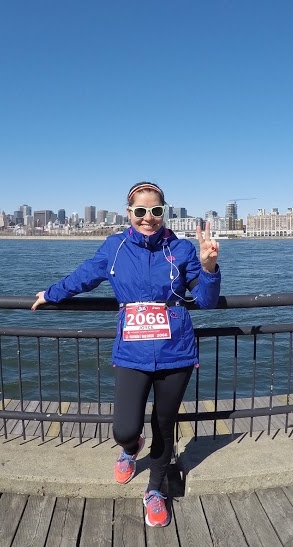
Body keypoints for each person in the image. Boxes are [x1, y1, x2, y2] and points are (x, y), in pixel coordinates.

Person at [31, 181, 221, 527]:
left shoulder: (181, 250)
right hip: (132, 352)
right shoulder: (115, 247)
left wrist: (208, 267)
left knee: (164, 425)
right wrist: (52, 294)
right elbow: (84, 277)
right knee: (124, 428)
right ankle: (131, 448)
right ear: (128, 213)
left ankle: (154, 490)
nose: (148, 218)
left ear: (165, 212)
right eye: (140, 211)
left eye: (156, 211)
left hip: (175, 351)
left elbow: (206, 301)